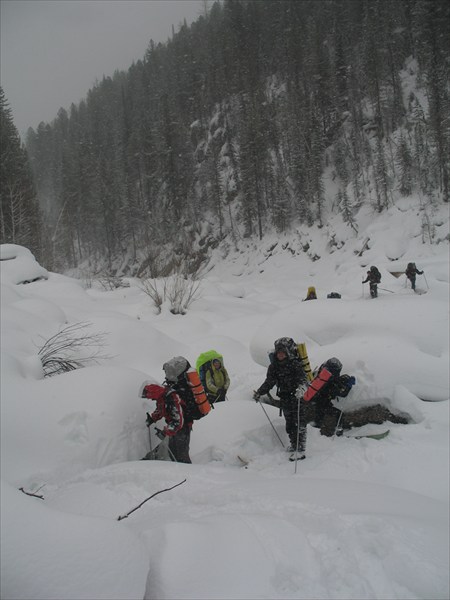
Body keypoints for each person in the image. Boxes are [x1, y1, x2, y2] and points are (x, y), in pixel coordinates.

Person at [253, 337, 308, 458]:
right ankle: (294, 445)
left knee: (299, 423)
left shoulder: (295, 364)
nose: (280, 355)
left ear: (287, 353)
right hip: (285, 398)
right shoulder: (274, 367)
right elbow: (269, 382)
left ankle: (300, 450)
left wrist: (301, 389)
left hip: (297, 398)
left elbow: (303, 380)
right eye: (278, 353)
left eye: (283, 353)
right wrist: (259, 392)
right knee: (290, 424)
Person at [142, 356, 196, 464]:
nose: (150, 399)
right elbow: (161, 410)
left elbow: (178, 422)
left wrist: (165, 431)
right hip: (175, 429)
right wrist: (152, 418)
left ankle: (189, 475)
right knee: (173, 453)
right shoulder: (162, 397)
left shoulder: (172, 398)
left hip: (183, 429)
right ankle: (179, 473)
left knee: (181, 456)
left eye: (150, 397)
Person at [303, 358, 355, 436]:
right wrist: (349, 385)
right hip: (321, 403)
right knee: (334, 414)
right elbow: (343, 393)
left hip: (316, 400)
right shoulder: (328, 382)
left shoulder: (320, 376)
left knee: (318, 419)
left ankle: (315, 432)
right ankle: (338, 430)